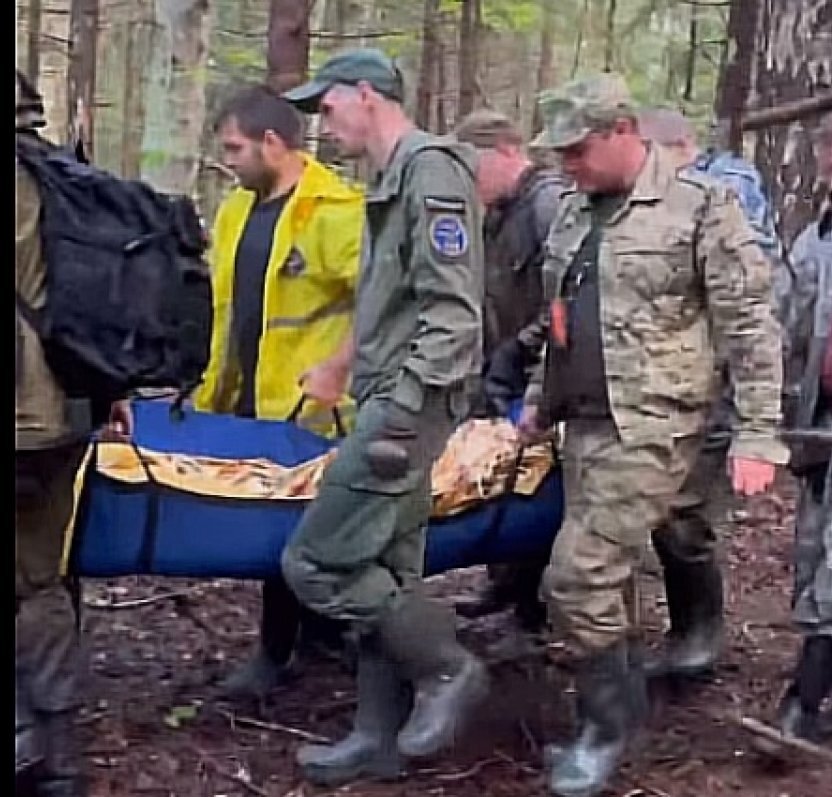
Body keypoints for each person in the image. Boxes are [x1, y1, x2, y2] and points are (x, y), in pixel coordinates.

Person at [520, 74, 787, 797]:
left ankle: (606, 725)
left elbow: (750, 326)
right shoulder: (577, 212)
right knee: (614, 568)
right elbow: (565, 317)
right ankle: (635, 682)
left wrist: (759, 431)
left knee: (577, 575)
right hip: (586, 423)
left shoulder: (702, 207)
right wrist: (537, 402)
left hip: (658, 422)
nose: (566, 165)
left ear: (622, 131)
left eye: (578, 149)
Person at [278, 48, 489, 785]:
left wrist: (401, 416)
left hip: (408, 405)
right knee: (382, 565)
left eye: (327, 107)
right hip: (386, 396)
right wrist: (343, 366)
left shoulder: (431, 172)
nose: (322, 125)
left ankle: (448, 666)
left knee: (316, 561)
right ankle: (379, 736)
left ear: (368, 94)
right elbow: (391, 305)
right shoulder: (388, 180)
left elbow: (454, 318)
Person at [191, 85, 366, 700]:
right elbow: (228, 309)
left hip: (312, 406)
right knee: (278, 526)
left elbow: (377, 300)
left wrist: (339, 368)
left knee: (301, 529)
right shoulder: (237, 209)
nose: (229, 161)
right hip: (251, 399)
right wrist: (208, 388)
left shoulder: (335, 209)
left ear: (273, 142)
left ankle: (281, 650)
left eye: (236, 148)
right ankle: (308, 638)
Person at [634, 108, 783, 678]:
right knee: (663, 508)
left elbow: (743, 302)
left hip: (712, 382)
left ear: (680, 147)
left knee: (685, 512)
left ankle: (700, 631)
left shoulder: (724, 191)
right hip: (665, 382)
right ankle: (682, 628)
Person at [15, 70, 131, 797]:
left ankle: (29, 739)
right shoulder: (68, 182)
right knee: (43, 579)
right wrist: (108, 393)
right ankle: (56, 750)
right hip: (66, 415)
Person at [755, 100, 832, 750]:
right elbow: (778, 316)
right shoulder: (822, 236)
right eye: (829, 170)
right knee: (815, 559)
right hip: (826, 431)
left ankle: (800, 706)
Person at [449, 109, 570, 654]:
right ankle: (506, 584)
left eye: (472, 167)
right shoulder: (498, 214)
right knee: (504, 474)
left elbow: (568, 297)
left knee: (538, 485)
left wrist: (523, 347)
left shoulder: (547, 205)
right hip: (503, 369)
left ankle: (534, 614)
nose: (467, 182)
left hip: (542, 369)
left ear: (503, 151)